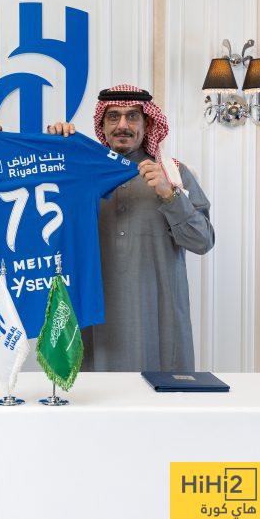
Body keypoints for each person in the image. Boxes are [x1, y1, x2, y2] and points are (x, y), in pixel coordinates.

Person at [48, 83, 214, 371]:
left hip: (158, 326)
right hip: (94, 325)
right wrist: (52, 152)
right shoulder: (78, 173)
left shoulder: (173, 172)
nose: (122, 125)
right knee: (94, 395)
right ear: (102, 125)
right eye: (113, 116)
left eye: (132, 116)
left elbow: (203, 241)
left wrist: (169, 194)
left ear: (148, 124)